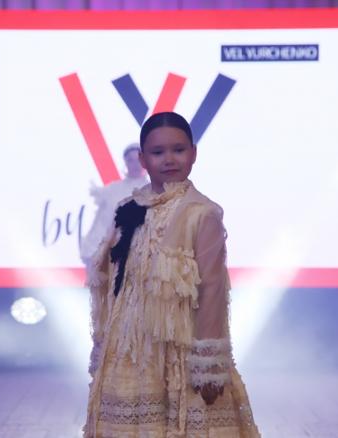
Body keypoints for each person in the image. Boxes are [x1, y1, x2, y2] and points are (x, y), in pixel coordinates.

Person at [84, 112, 260, 437]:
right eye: (158, 152)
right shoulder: (128, 208)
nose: (169, 159)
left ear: (193, 154)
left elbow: (212, 289)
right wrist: (104, 342)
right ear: (143, 159)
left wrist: (209, 364)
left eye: (178, 150)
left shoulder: (201, 213)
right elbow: (112, 281)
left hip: (180, 355)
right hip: (130, 351)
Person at [80, 144, 148, 267]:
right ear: (125, 162)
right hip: (109, 254)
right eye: (130, 160)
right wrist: (90, 250)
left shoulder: (152, 190)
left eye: (138, 159)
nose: (135, 164)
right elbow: (101, 222)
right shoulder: (113, 190)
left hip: (139, 255)